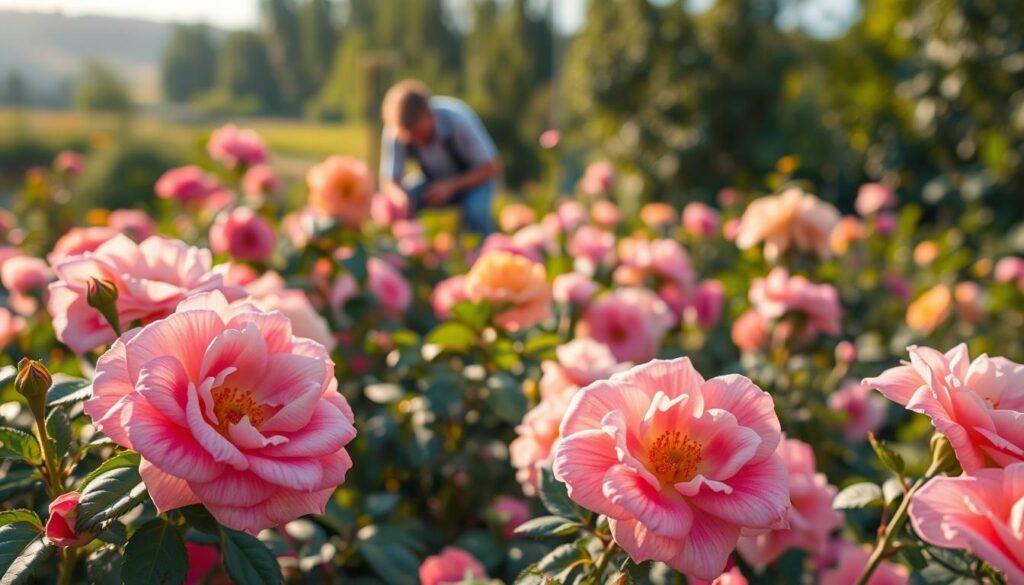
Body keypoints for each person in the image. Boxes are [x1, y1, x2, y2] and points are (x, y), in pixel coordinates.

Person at [379, 80, 500, 235]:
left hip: (474, 181)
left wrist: (451, 186)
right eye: (412, 138)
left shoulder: (457, 120)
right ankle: (410, 253)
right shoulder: (397, 131)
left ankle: (484, 250)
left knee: (475, 212)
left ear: (430, 115)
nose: (418, 142)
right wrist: (400, 198)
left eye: (420, 134)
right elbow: (389, 181)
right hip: (432, 182)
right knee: (400, 206)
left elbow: (491, 167)